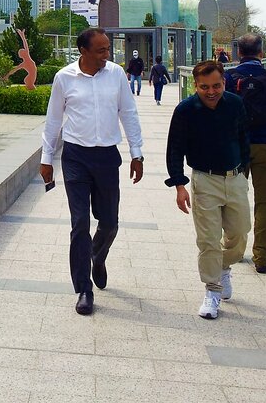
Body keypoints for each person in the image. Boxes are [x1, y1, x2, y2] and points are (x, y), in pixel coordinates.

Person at [41, 28, 144, 316]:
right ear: (83, 51)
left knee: (109, 222)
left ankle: (98, 257)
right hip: (75, 157)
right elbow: (53, 119)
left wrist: (137, 153)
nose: (107, 55)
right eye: (101, 50)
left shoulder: (116, 75)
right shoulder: (64, 78)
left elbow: (129, 113)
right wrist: (46, 157)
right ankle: (84, 289)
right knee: (79, 224)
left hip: (107, 156)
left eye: (108, 49)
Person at [165, 60, 250, 320]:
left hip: (235, 178)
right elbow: (175, 149)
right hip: (204, 180)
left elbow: (244, 139)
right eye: (204, 87)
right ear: (195, 85)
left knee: (239, 235)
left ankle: (224, 266)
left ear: (224, 82)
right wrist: (180, 185)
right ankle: (212, 290)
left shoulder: (235, 104)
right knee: (208, 240)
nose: (211, 91)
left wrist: (244, 173)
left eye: (216, 86)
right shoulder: (185, 110)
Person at [225, 33, 266, 274]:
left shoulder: (228, 78)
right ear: (262, 53)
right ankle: (261, 256)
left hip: (234, 147)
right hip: (265, 146)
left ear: (238, 53)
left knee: (231, 199)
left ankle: (232, 248)